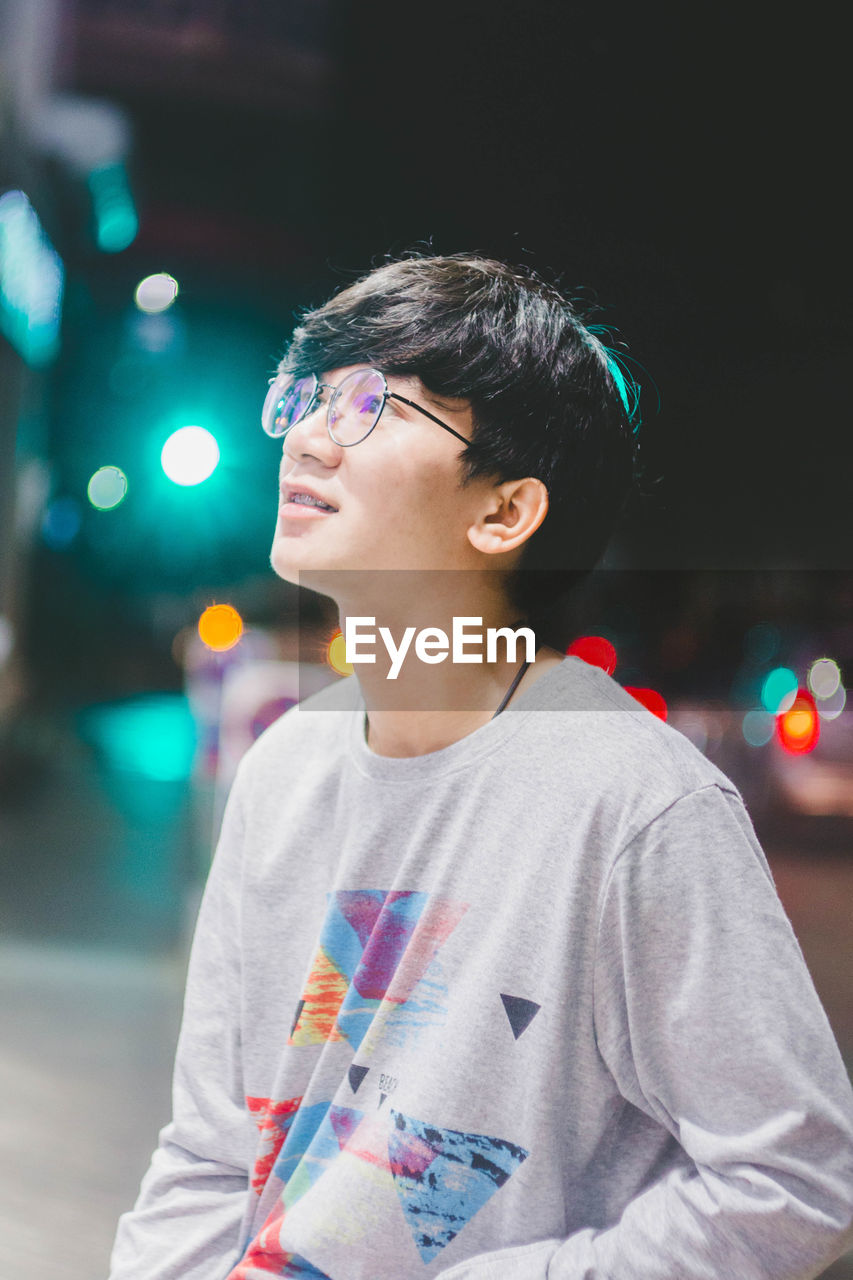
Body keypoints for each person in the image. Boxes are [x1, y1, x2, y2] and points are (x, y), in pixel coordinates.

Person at [108, 254, 853, 1279]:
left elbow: (797, 1180)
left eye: (371, 405)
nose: (311, 437)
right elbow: (211, 1147)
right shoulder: (284, 768)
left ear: (504, 513)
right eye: (307, 398)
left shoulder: (635, 803)